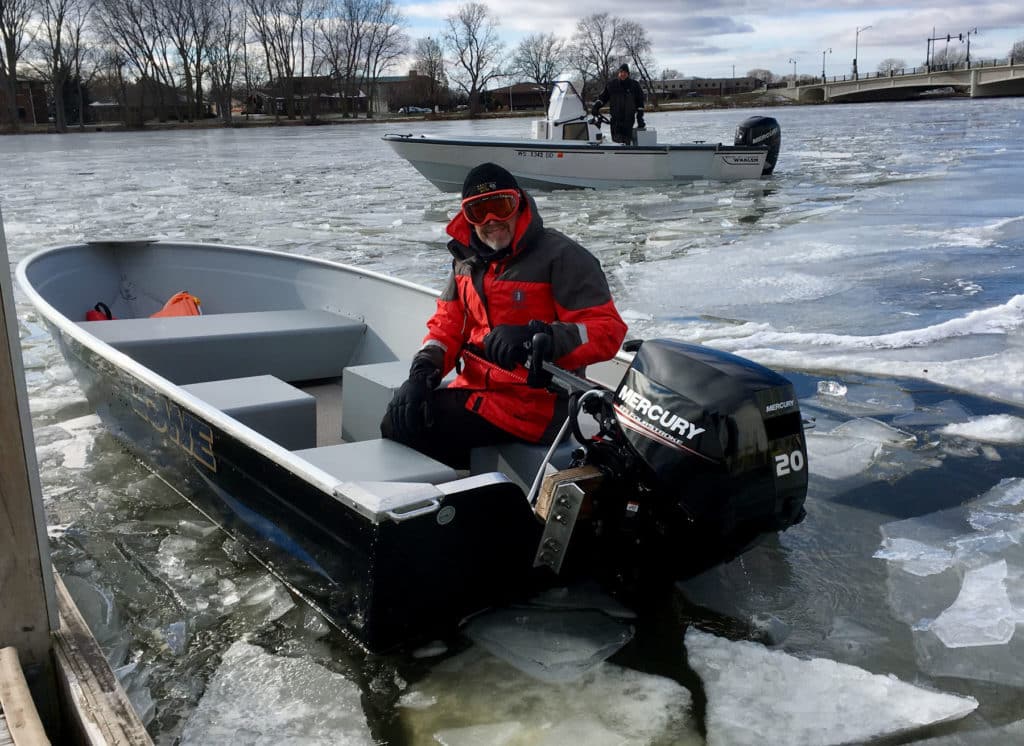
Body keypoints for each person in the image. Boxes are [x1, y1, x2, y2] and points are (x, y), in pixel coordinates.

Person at [380, 163, 627, 468]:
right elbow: (447, 327)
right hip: (479, 392)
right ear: (467, 218)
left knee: (400, 428)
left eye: (501, 206)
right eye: (478, 212)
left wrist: (541, 338)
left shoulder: (562, 256)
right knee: (404, 412)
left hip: (535, 407)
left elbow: (607, 330)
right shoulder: (465, 262)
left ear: (519, 204)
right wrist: (421, 375)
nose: (492, 220)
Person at [591, 63, 646, 145]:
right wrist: (596, 106)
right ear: (618, 73)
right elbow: (603, 98)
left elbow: (640, 102)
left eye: (625, 72)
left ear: (628, 74)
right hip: (615, 120)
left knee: (627, 142)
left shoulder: (634, 85)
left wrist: (640, 118)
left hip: (629, 120)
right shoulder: (612, 85)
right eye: (621, 72)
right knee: (617, 143)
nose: (623, 74)